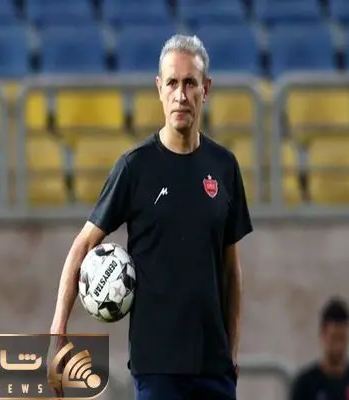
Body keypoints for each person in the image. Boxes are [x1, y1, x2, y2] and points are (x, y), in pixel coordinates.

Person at [48, 34, 253, 400]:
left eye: (190, 83)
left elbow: (230, 270)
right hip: (158, 366)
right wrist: (58, 331)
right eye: (172, 83)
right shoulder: (135, 167)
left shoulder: (224, 167)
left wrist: (232, 350)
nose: (181, 95)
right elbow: (83, 245)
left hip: (214, 365)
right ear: (159, 89)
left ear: (205, 89)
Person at [289, 297, 349, 400]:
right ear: (323, 334)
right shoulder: (305, 385)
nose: (339, 346)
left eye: (342, 338)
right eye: (334, 338)